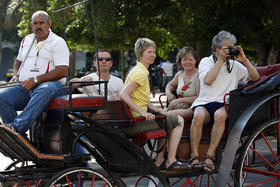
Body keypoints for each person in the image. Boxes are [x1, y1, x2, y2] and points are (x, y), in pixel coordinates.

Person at [189, 30, 260, 173]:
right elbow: (208, 80)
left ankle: (210, 156)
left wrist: (244, 60)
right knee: (198, 115)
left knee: (220, 115)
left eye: (232, 47)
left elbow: (256, 77)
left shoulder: (235, 65)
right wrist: (220, 60)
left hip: (224, 103)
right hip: (205, 102)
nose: (231, 50)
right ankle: (194, 156)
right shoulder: (205, 61)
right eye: (228, 47)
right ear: (217, 48)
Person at [120, 38, 188, 171]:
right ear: (140, 55)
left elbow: (143, 99)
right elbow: (123, 94)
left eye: (154, 52)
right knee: (178, 120)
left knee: (166, 118)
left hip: (134, 119)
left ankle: (159, 160)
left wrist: (158, 109)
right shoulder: (140, 73)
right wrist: (142, 112)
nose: (153, 55)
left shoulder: (139, 70)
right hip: (137, 122)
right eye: (149, 52)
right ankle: (171, 160)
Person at [0, 10, 69, 137]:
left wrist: (36, 80)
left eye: (41, 23)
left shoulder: (58, 42)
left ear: (49, 24)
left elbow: (62, 70)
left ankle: (16, 129)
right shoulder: (26, 39)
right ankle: (19, 140)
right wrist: (16, 75)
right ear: (31, 25)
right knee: (2, 96)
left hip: (53, 87)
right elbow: (18, 61)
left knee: (44, 89)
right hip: (27, 86)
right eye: (35, 23)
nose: (38, 26)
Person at [165, 46, 200, 122]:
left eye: (190, 59)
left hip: (193, 108)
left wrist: (178, 101)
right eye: (184, 59)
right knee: (160, 113)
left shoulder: (199, 74)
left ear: (195, 60)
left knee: (167, 115)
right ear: (180, 61)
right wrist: (168, 93)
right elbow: (170, 85)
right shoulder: (179, 74)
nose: (187, 62)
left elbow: (198, 97)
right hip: (178, 106)